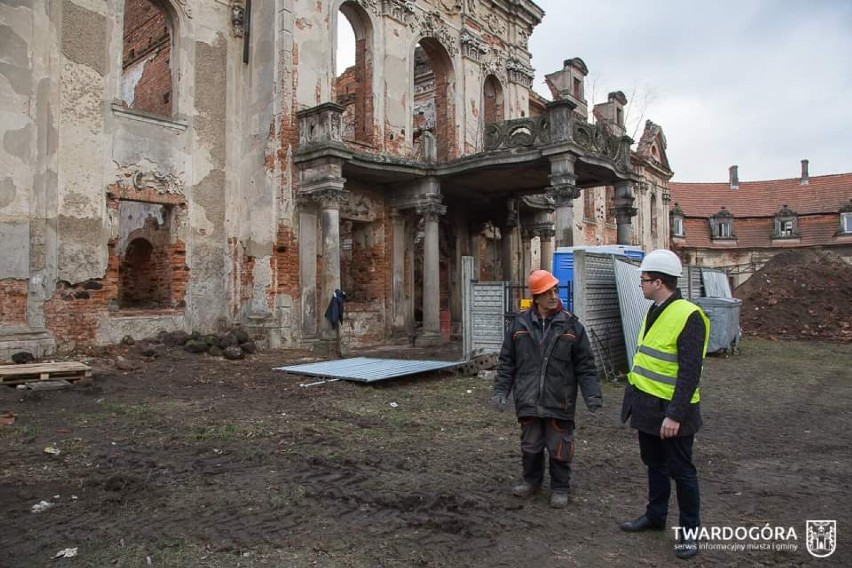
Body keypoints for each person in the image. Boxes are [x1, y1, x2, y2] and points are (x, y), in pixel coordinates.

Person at [619, 249, 709, 560]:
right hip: (646, 407)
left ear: (658, 282)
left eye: (643, 280)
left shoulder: (689, 316)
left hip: (673, 412)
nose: (640, 284)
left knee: (681, 471)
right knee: (654, 466)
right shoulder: (654, 310)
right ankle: (655, 516)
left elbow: (689, 373)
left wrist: (674, 415)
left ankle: (689, 533)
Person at [492, 269, 602, 508]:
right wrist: (501, 391)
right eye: (547, 292)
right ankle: (531, 481)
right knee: (530, 444)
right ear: (536, 297)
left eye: (555, 290)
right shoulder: (519, 326)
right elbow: (507, 363)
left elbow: (586, 365)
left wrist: (592, 395)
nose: (553, 296)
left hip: (559, 399)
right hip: (528, 398)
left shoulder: (572, 326)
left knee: (559, 445)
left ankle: (560, 487)